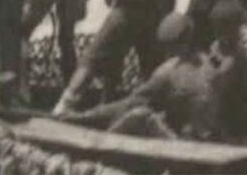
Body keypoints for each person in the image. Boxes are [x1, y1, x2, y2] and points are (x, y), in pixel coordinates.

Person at [57, 13, 224, 141]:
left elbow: (129, 104)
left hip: (186, 144)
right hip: (212, 139)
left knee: (139, 115)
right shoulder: (210, 63)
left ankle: (100, 148)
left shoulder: (169, 71)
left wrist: (83, 116)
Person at [208, 0, 247, 140]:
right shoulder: (215, 48)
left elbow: (246, 88)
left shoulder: (240, 53)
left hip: (235, 110)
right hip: (216, 109)